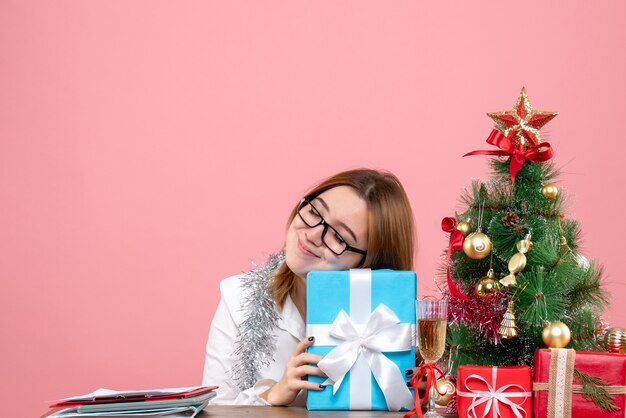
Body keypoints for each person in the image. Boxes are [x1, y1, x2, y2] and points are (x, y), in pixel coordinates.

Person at [202, 168, 415, 406]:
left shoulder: (395, 329)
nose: (313, 234)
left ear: (369, 263)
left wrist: (423, 396)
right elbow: (214, 409)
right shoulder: (238, 298)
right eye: (314, 212)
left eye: (339, 237)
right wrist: (272, 395)